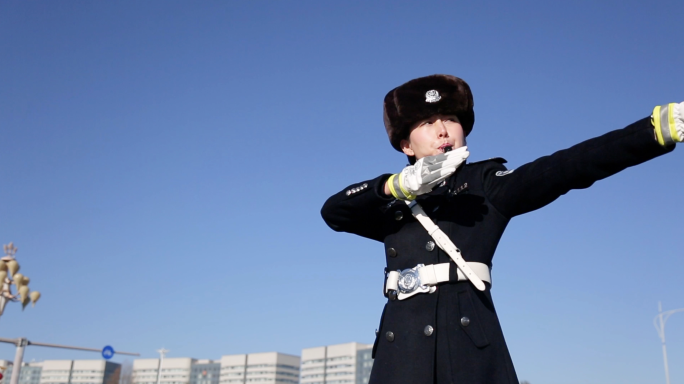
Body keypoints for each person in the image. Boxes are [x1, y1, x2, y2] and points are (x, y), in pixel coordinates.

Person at [320, 74, 683, 384]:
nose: (443, 130)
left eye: (450, 118)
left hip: (465, 349)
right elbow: (334, 212)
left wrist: (652, 132)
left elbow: (566, 167)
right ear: (405, 144)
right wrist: (393, 186)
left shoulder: (485, 183)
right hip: (400, 355)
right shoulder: (392, 203)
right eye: (428, 123)